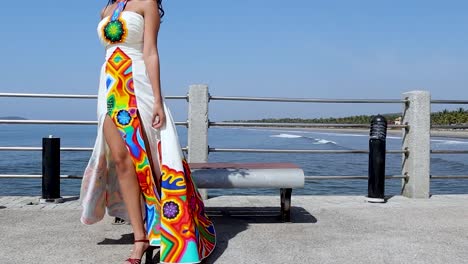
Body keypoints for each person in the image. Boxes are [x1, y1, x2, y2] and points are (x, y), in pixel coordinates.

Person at [79, 0, 216, 263]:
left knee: (155, 161)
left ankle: (171, 229)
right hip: (109, 87)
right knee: (120, 160)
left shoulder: (147, 4)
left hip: (137, 83)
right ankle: (140, 237)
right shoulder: (106, 10)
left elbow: (151, 52)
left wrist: (157, 100)